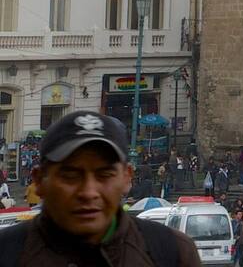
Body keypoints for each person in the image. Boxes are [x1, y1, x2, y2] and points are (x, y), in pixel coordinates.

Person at [0, 111, 201, 266]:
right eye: (70, 176)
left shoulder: (172, 252)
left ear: (126, 178)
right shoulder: (9, 252)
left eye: (104, 175)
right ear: (39, 180)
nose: (88, 192)